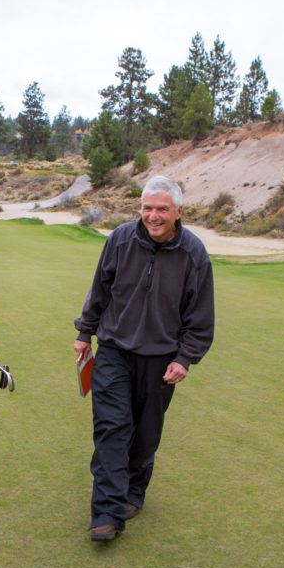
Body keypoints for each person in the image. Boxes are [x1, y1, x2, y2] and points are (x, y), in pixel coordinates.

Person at [74, 175, 214, 541]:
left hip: (161, 360)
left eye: (162, 209)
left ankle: (134, 491)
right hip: (114, 352)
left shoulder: (193, 254)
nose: (153, 216)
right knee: (111, 427)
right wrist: (83, 332)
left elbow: (200, 317)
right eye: (147, 207)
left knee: (145, 433)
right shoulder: (120, 239)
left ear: (179, 212)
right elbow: (99, 290)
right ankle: (105, 512)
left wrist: (185, 358)